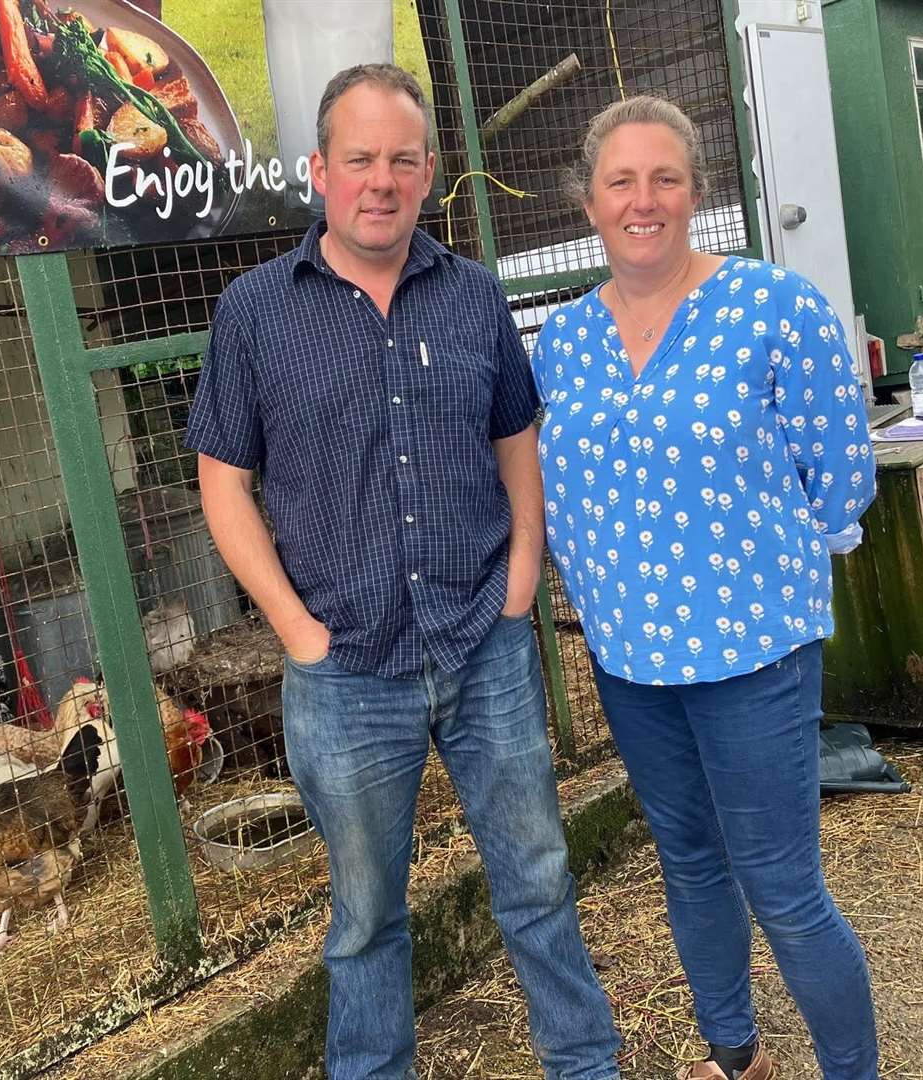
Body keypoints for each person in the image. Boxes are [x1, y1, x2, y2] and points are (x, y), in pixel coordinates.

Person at [187, 64, 621, 1080]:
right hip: (344, 671)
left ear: (428, 173)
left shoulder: (472, 296)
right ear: (318, 173)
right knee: (365, 915)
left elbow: (518, 439)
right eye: (356, 160)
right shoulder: (254, 312)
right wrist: (296, 632)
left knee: (537, 879)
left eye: (399, 160)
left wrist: (520, 584)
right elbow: (221, 483)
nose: (377, 181)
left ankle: (584, 1063)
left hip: (483, 643)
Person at [532, 95, 880, 1080]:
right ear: (589, 202)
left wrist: (753, 569)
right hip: (629, 662)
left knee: (781, 886)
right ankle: (737, 1061)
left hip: (752, 653)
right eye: (620, 182)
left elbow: (840, 471)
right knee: (689, 866)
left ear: (696, 193)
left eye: (665, 179)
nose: (643, 201)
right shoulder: (561, 342)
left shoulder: (773, 307)